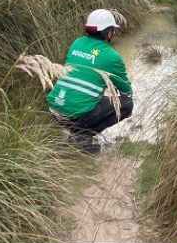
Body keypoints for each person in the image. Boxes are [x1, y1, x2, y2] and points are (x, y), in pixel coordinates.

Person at [47, 9, 133, 153]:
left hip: (55, 110)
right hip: (76, 114)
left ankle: (77, 134)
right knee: (126, 104)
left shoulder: (77, 43)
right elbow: (125, 90)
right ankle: (83, 136)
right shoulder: (112, 56)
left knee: (89, 97)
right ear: (108, 32)